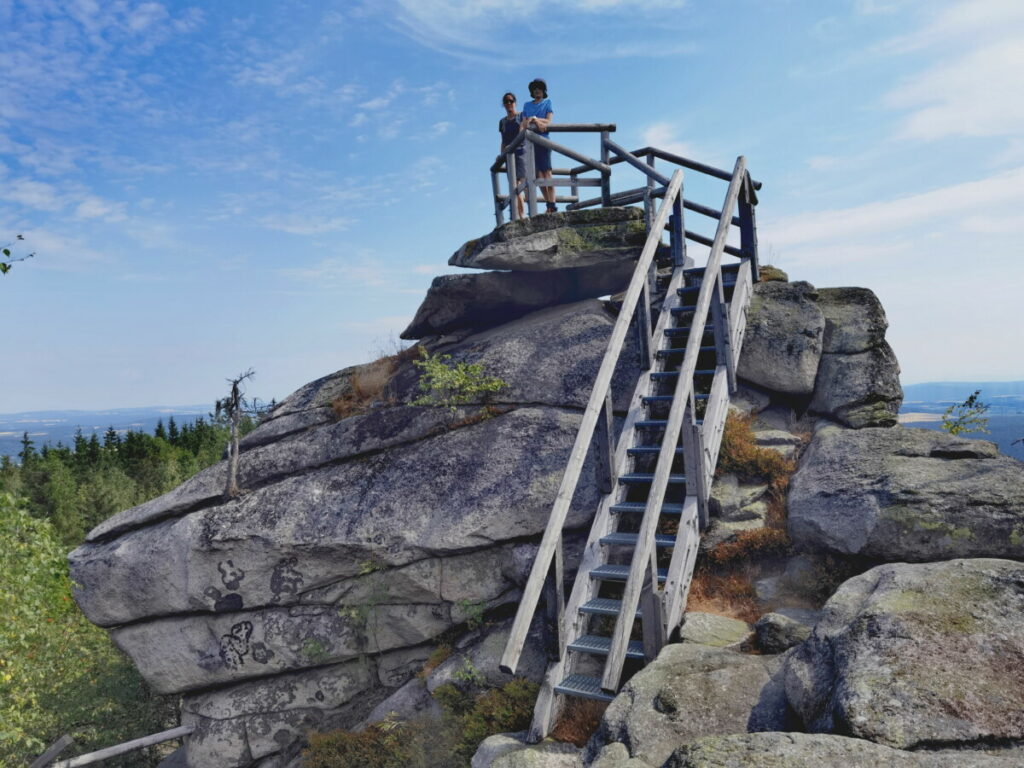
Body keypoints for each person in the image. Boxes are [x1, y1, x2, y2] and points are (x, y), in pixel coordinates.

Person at [521, 78, 556, 214]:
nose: (537, 91)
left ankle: (552, 204)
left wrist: (534, 118)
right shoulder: (526, 105)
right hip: (531, 144)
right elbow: (524, 124)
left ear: (543, 90)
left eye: (539, 88)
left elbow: (548, 121)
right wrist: (533, 121)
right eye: (534, 89)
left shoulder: (548, 102)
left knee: (547, 172)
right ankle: (549, 204)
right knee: (538, 174)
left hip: (544, 141)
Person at [499, 92, 526, 219]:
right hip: (509, 157)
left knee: (519, 184)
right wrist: (501, 156)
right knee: (513, 185)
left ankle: (521, 215)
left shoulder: (521, 116)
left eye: (511, 100)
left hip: (521, 153)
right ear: (503, 104)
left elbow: (522, 134)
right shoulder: (502, 122)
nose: (509, 103)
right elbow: (503, 141)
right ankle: (518, 215)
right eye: (506, 101)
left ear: (515, 102)